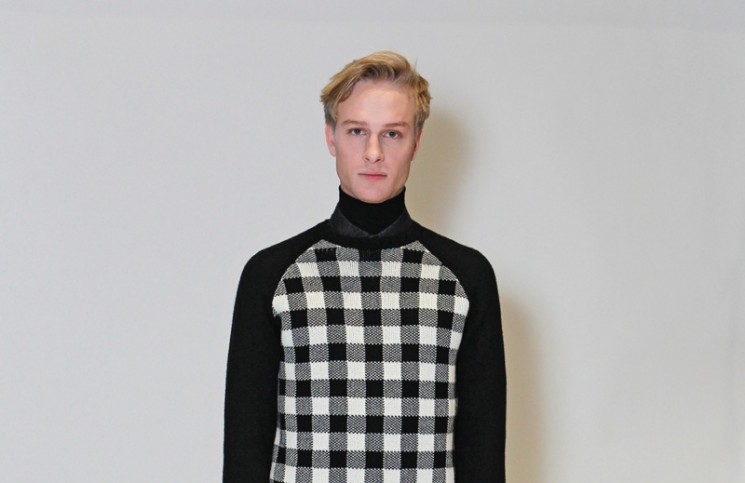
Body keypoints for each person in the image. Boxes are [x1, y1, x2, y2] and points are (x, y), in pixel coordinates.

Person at [224, 51, 506, 482]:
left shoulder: (465, 278)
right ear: (331, 137)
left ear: (416, 142)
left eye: (392, 133)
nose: (373, 152)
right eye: (357, 131)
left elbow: (482, 453)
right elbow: (245, 450)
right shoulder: (273, 275)